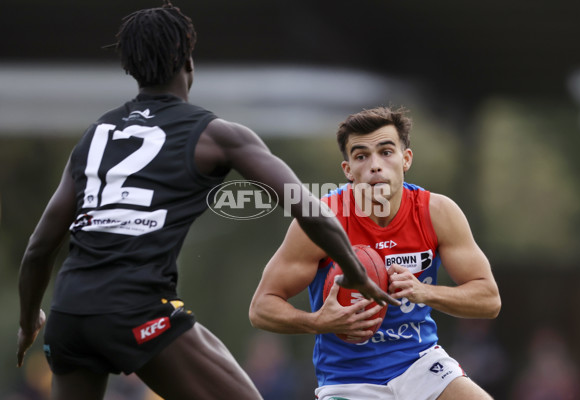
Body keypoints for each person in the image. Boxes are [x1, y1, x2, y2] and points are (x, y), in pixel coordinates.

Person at [16, 3, 398, 400]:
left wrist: (29, 322)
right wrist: (354, 271)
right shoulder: (216, 135)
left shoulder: (95, 137)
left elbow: (39, 248)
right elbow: (308, 208)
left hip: (68, 315)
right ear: (187, 59)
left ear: (130, 68)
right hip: (137, 310)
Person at [249, 106, 502, 400]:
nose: (375, 165)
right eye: (361, 156)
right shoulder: (320, 221)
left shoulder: (438, 213)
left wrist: (424, 292)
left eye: (386, 152)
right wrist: (318, 321)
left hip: (420, 364)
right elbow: (261, 309)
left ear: (406, 159)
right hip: (348, 378)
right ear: (348, 171)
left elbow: (489, 300)